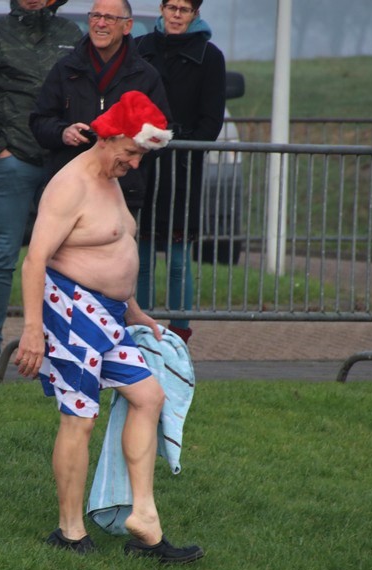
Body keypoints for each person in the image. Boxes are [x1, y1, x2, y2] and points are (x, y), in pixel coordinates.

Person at [16, 91, 204, 563]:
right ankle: (70, 530)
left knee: (149, 396)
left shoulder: (111, 178)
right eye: (132, 152)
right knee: (80, 417)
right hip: (71, 311)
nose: (135, 164)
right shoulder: (70, 184)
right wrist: (33, 330)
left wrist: (133, 309)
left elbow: (113, 249)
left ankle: (143, 519)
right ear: (110, 137)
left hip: (110, 314)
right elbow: (34, 260)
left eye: (141, 155)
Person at [0, 0, 81, 378]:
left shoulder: (71, 34)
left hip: (62, 161)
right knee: (3, 255)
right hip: (14, 160)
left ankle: (61, 344)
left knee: (65, 257)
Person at [134, 0, 227, 344]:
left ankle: (178, 336)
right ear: (161, 8)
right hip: (143, 163)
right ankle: (140, 332)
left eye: (183, 9)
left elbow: (211, 120)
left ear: (195, 14)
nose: (176, 14)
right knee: (141, 256)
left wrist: (181, 145)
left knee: (178, 259)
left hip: (184, 168)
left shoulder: (209, 56)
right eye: (171, 6)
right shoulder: (140, 48)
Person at [30, 0, 170, 213]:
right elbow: (39, 121)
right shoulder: (65, 69)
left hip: (123, 192)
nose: (100, 23)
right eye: (95, 16)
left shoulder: (146, 76)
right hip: (69, 188)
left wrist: (126, 151)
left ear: (127, 26)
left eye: (110, 18)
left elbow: (162, 133)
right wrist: (63, 133)